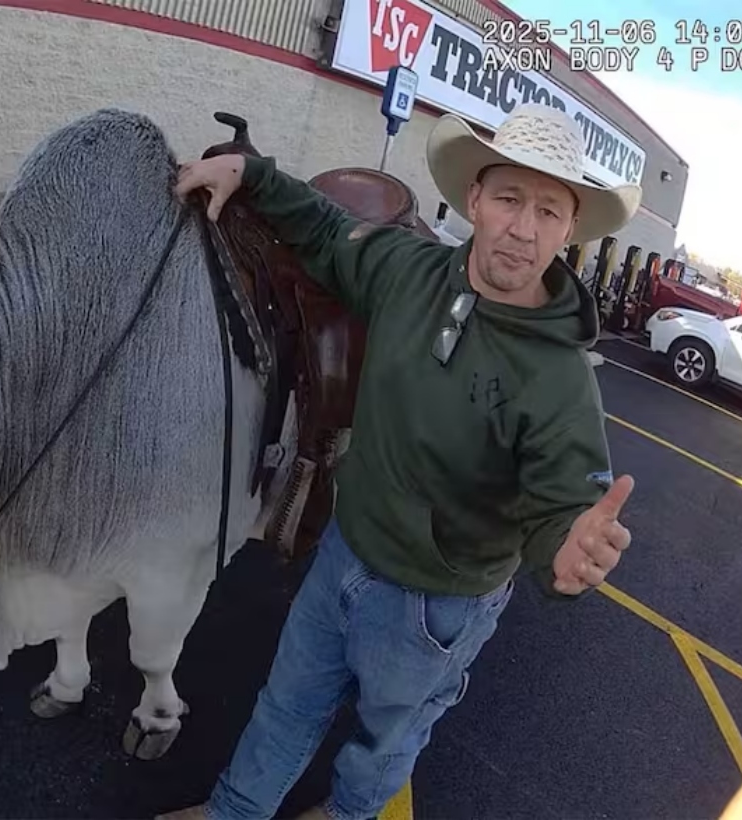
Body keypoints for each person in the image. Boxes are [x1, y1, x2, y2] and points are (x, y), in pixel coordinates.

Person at [162, 103, 641, 820]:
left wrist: (566, 553)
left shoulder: (561, 381)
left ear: (569, 230)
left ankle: (348, 816)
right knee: (286, 701)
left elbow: (562, 506)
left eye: (548, 211)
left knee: (384, 741)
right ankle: (234, 811)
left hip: (434, 606)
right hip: (345, 550)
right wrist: (252, 173)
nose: (523, 228)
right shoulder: (407, 270)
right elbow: (328, 230)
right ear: (474, 199)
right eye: (509, 198)